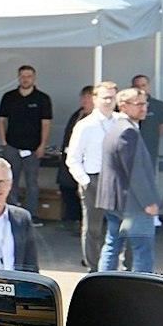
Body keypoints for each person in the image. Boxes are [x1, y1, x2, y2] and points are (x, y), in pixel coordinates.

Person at [96, 87, 159, 273]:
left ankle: (102, 284)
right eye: (139, 104)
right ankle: (144, 289)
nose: (144, 107)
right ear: (123, 106)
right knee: (142, 251)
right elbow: (135, 171)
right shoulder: (127, 131)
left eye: (145, 103)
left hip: (116, 201)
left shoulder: (117, 128)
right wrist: (148, 202)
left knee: (112, 245)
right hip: (132, 203)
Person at [65, 81, 122, 270]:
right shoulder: (85, 125)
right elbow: (72, 157)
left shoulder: (122, 121)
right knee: (93, 228)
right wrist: (86, 181)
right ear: (95, 99)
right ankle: (94, 268)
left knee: (121, 226)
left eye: (111, 97)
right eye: (104, 97)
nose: (108, 101)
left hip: (119, 181)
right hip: (94, 179)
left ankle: (115, 267)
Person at [0, 64, 52, 221]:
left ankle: (29, 216)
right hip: (12, 146)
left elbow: (46, 124)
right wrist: (3, 142)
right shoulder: (9, 97)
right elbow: (1, 120)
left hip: (34, 149)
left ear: (34, 78)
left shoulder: (42, 98)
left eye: (29, 76)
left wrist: (42, 145)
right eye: (23, 76)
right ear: (18, 77)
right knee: (9, 181)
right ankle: (11, 214)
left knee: (32, 183)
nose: (25, 79)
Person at [58, 85, 94, 227]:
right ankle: (71, 217)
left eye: (88, 97)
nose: (85, 100)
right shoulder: (77, 115)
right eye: (83, 97)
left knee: (85, 190)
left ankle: (83, 220)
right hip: (71, 157)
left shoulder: (97, 117)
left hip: (88, 160)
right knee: (67, 187)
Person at [131, 74, 163, 165]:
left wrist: (153, 136)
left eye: (143, 85)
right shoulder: (126, 106)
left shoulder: (159, 105)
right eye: (137, 86)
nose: (140, 88)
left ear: (148, 86)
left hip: (150, 148)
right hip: (130, 147)